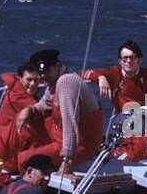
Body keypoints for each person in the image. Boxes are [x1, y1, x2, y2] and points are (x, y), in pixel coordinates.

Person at [17, 48, 103, 176]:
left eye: (47, 71)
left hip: (80, 146)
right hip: (61, 139)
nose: (43, 76)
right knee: (25, 122)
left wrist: (67, 160)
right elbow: (44, 105)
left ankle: (32, 190)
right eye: (40, 74)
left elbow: (71, 123)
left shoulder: (66, 83)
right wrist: (28, 109)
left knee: (23, 160)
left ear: (57, 66)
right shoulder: (54, 82)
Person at [0, 64, 51, 169]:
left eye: (36, 80)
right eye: (29, 80)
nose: (32, 84)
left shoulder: (17, 90)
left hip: (5, 146)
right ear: (20, 79)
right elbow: (43, 114)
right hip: (7, 155)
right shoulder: (18, 97)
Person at [85, 39, 147, 113]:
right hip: (123, 119)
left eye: (132, 57)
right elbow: (83, 73)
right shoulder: (115, 73)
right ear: (120, 61)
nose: (128, 61)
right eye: (125, 58)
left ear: (140, 60)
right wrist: (100, 78)